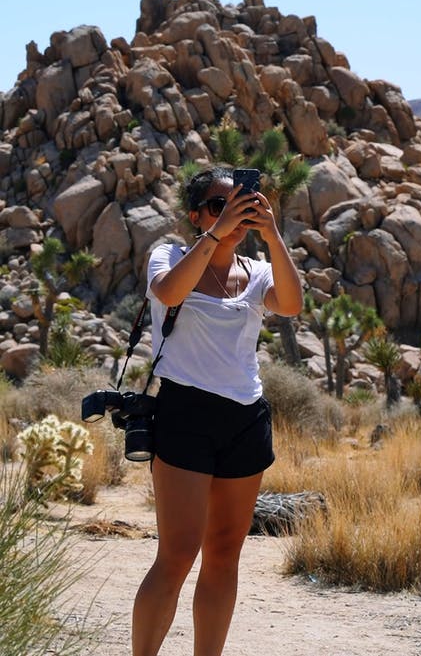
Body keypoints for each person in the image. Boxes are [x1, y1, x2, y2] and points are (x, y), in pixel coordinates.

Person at [132, 166, 303, 656]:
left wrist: (270, 234)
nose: (228, 214)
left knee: (224, 557)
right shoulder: (170, 255)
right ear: (195, 215)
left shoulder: (257, 274)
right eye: (215, 205)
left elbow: (291, 305)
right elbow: (167, 292)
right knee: (178, 554)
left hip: (245, 419)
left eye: (238, 205)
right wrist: (216, 233)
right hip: (185, 413)